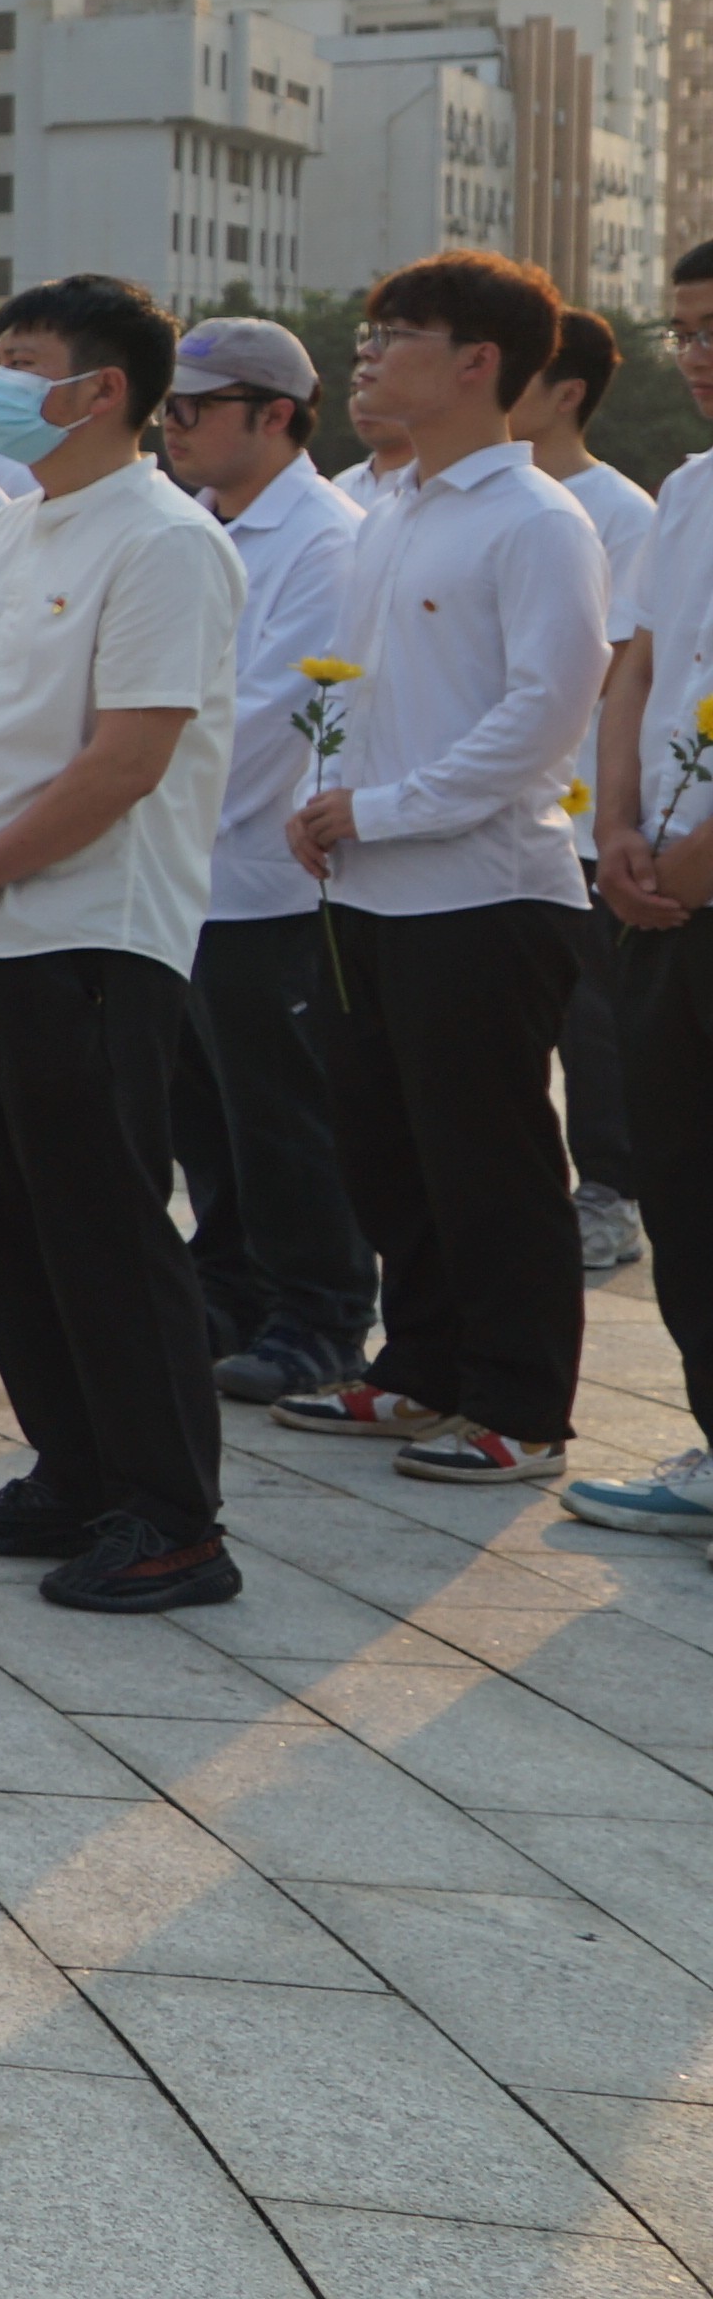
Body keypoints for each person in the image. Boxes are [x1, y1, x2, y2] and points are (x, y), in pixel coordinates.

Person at [0, 273, 249, 1613]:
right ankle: (76, 1472)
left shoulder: (164, 541)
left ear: (104, 390)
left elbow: (127, 760)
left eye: (23, 362)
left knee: (101, 1230)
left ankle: (172, 1519)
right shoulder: (7, 529)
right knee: (6, 1220)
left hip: (86, 937)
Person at [283, 248, 605, 1487]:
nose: (366, 357)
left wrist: (384, 808)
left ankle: (522, 1406)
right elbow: (359, 692)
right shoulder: (392, 511)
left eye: (395, 336)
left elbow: (543, 714)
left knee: (491, 1162)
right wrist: (325, 801)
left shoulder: (538, 521)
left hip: (483, 893)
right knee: (388, 1146)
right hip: (367, 885)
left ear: (479, 362)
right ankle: (419, 1367)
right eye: (369, 335)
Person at [159, 318, 378, 1407]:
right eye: (167, 406)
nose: (172, 426)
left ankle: (322, 1318)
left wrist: (130, 793)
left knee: (286, 1118)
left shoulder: (326, 541)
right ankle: (233, 1291)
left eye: (194, 407)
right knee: (208, 1116)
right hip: (184, 871)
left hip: (267, 878)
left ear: (276, 414)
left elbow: (269, 724)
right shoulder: (198, 526)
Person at [569, 246, 713, 1548]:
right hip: (660, 888)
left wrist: (690, 858)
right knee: (681, 1176)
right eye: (685, 330)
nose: (700, 354)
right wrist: (616, 826)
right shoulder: (690, 489)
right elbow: (637, 670)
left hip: (691, 879)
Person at [523, 309, 660, 1283]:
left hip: (579, 815)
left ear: (566, 391)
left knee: (595, 1026)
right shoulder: (475, 496)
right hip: (497, 818)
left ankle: (610, 1193)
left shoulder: (621, 511)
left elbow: (617, 669)